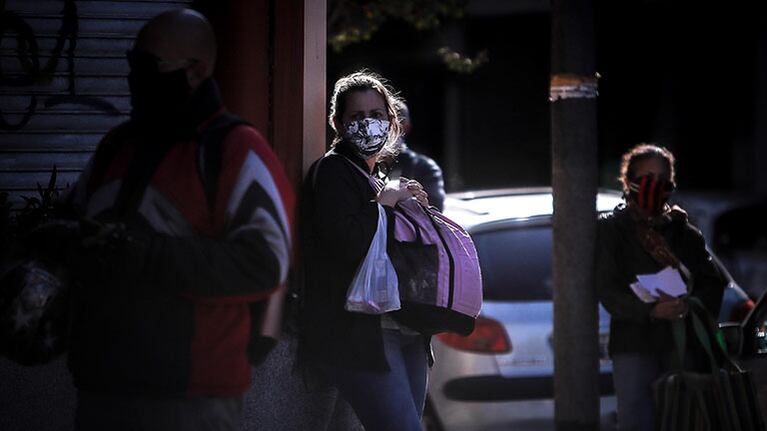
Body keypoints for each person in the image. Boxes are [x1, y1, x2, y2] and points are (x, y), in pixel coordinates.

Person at [49, 9, 293, 431]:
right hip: (99, 388)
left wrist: (144, 253)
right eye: (132, 65)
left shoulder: (235, 149)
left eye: (147, 67)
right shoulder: (116, 145)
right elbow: (70, 222)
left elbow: (265, 262)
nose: (134, 78)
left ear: (195, 70)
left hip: (189, 400)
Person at [300, 71, 431, 431]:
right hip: (362, 332)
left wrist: (410, 208)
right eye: (357, 117)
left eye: (376, 115)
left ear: (392, 122)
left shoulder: (375, 175)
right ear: (337, 124)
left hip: (403, 325)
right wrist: (384, 206)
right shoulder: (332, 172)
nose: (368, 125)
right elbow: (348, 243)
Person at [595, 144, 727, 431]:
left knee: (684, 418)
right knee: (636, 419)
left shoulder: (684, 231)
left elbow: (712, 281)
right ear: (628, 181)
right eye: (647, 178)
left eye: (662, 179)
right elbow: (607, 289)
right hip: (634, 345)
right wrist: (652, 311)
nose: (655, 185)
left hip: (681, 347)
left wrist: (686, 306)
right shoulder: (612, 229)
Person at [390, 101, 446, 211]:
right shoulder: (364, 164)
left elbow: (435, 213)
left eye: (399, 123)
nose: (393, 129)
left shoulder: (424, 167)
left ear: (407, 128)